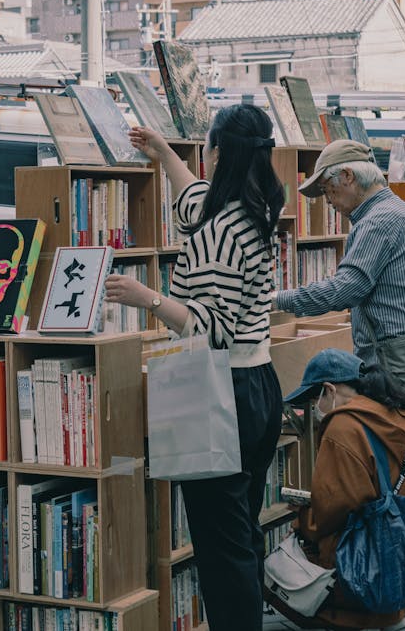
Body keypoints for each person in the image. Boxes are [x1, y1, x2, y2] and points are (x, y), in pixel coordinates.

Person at [105, 104, 285, 631]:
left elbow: (213, 328)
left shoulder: (222, 231)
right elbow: (192, 202)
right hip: (257, 385)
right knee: (239, 533)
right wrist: (163, 153)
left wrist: (147, 297)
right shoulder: (249, 208)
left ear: (219, 153)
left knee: (222, 550)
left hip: (220, 391)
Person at [267, 348, 405, 631]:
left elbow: (332, 509)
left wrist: (302, 520)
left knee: (272, 574)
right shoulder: (403, 419)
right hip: (404, 559)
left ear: (329, 390)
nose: (315, 409)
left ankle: (354, 620)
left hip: (360, 569)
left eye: (315, 399)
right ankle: (392, 617)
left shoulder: (343, 428)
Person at [274, 139, 405, 417]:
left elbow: (345, 290)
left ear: (348, 176)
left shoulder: (379, 221)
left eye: (328, 190)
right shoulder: (397, 211)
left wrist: (279, 299)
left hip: (396, 360)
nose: (328, 202)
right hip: (402, 354)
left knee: (400, 444)